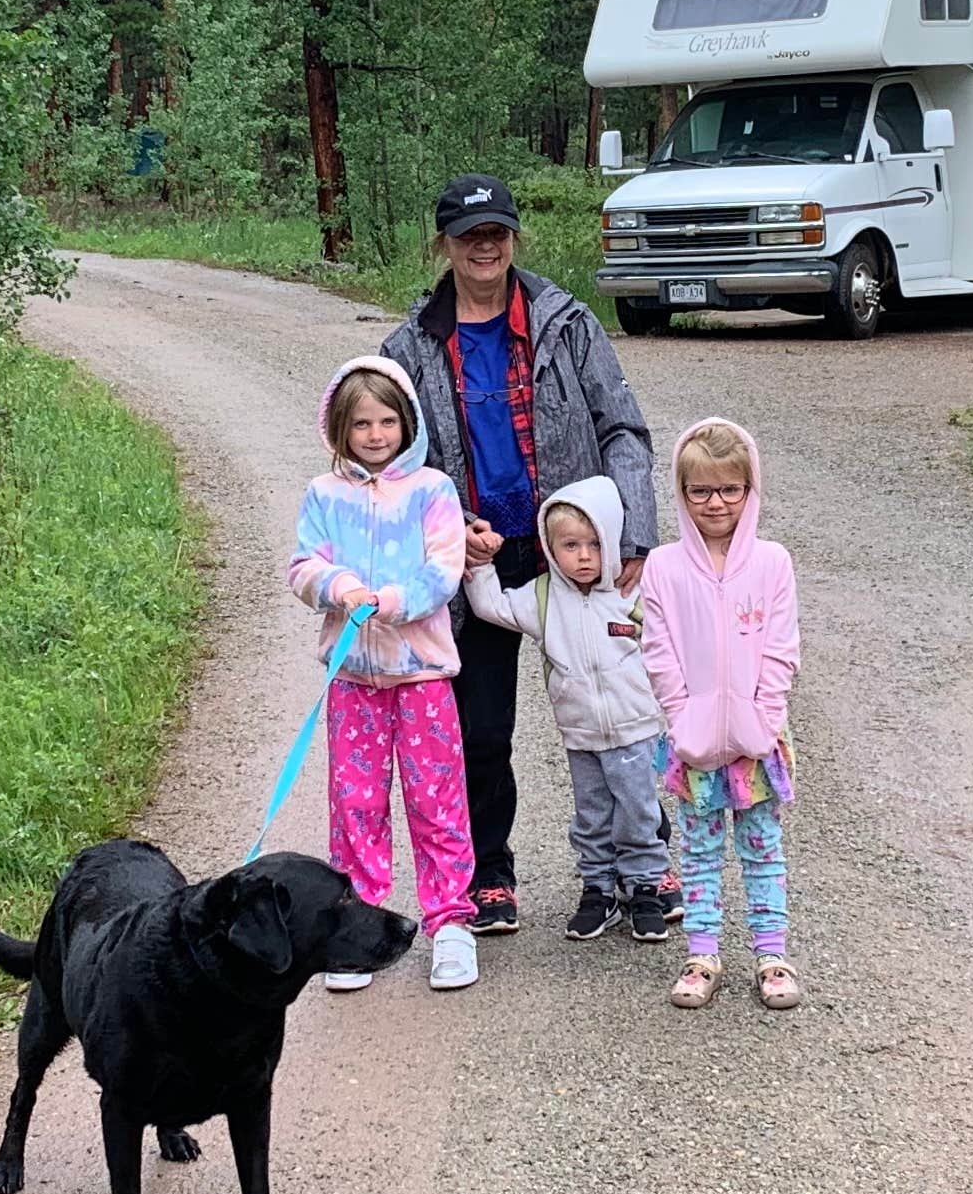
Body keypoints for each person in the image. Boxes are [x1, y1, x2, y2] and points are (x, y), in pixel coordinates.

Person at [382, 174, 658, 946]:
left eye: (497, 231)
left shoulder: (564, 324)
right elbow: (395, 471)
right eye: (470, 235)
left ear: (514, 237)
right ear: (444, 244)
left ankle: (645, 864)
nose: (486, 246)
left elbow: (624, 430)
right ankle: (489, 874)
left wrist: (629, 534)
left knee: (623, 711)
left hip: (573, 553)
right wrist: (446, 533)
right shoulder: (408, 349)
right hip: (478, 564)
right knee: (481, 731)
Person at [284, 355, 479, 992]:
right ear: (340, 429)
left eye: (387, 421)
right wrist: (337, 586)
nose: (374, 434)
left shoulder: (432, 490)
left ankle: (450, 921)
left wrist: (394, 601)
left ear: (407, 423)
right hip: (353, 684)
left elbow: (445, 569)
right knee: (356, 803)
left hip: (422, 676)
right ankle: (358, 929)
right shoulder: (324, 494)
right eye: (361, 423)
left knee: (436, 801)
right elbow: (302, 566)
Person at [460, 476, 680, 940]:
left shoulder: (629, 593)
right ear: (550, 547)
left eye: (594, 544)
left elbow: (673, 643)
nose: (583, 556)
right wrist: (479, 566)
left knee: (638, 810)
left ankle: (644, 885)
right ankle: (598, 889)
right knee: (591, 814)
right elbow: (491, 608)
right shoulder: (543, 597)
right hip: (580, 734)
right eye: (570, 545)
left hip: (635, 730)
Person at [638, 416, 800, 1011]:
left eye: (730, 489)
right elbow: (659, 650)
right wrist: (682, 720)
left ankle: (771, 953)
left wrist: (763, 717)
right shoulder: (663, 567)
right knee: (700, 850)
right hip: (694, 743)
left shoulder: (772, 562)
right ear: (681, 494)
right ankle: (702, 952)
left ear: (749, 490)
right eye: (700, 490)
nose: (716, 503)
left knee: (762, 847)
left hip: (757, 744)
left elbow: (782, 647)